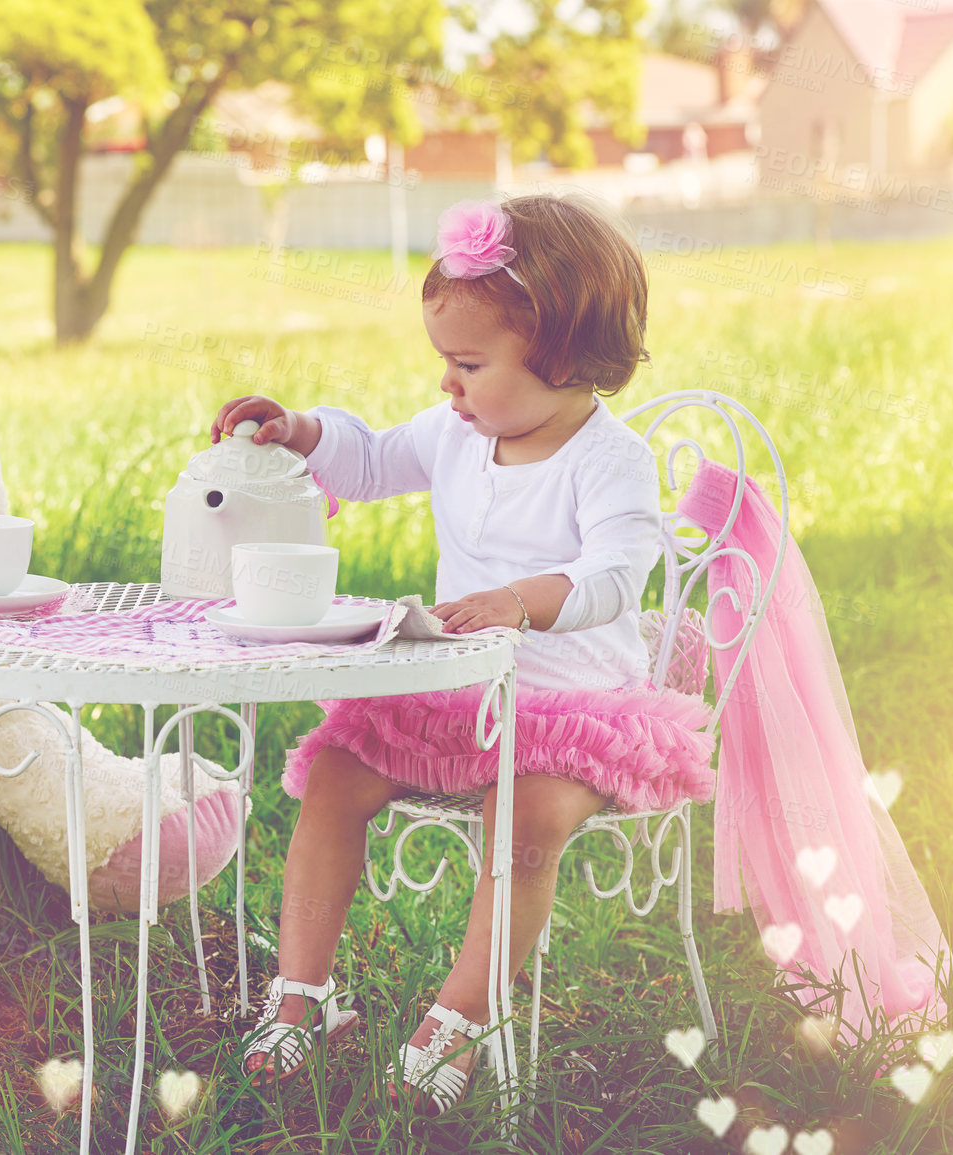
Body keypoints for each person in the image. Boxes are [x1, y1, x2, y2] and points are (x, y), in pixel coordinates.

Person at [212, 193, 719, 1115]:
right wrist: (299, 430)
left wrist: (518, 604)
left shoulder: (606, 461)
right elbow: (367, 458)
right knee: (330, 773)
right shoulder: (456, 433)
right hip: (452, 695)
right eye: (444, 362)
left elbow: (613, 575)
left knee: (521, 824)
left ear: (562, 357)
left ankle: (457, 1016)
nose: (448, 385)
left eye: (470, 364)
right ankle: (301, 998)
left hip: (570, 711)